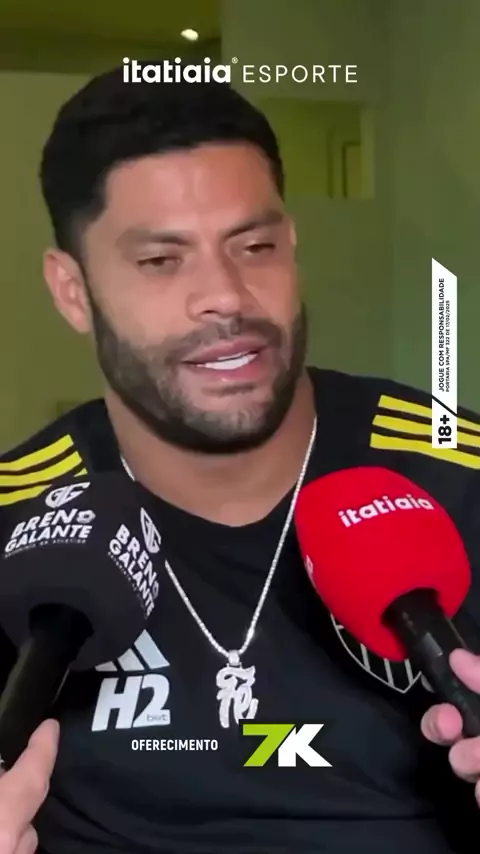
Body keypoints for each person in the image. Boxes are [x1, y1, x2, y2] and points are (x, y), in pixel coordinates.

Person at [1, 63, 480, 854]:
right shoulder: (16, 521)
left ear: (291, 244)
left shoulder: (459, 479)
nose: (225, 295)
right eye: (162, 261)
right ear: (72, 291)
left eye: (255, 246)